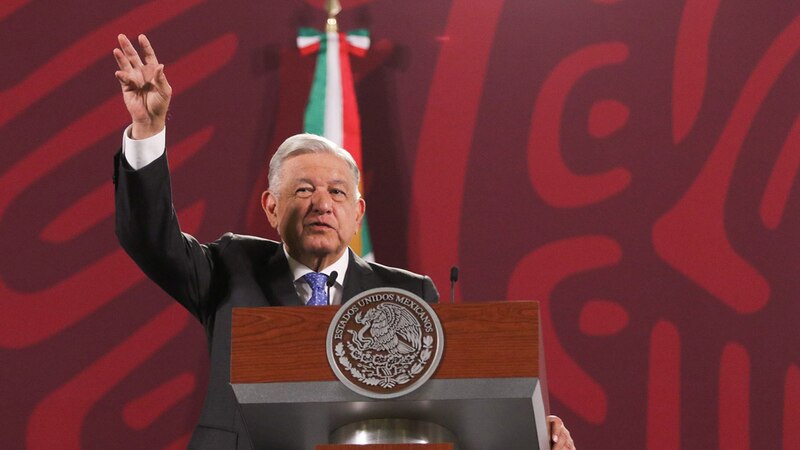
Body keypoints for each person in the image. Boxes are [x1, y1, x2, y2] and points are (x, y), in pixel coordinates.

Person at [113, 33, 575, 450]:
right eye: (303, 190)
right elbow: (151, 239)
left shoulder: (410, 296)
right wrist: (149, 132)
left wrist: (533, 436)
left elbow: (446, 410)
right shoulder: (231, 267)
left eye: (337, 192)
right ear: (271, 208)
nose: (322, 204)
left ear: (358, 212)